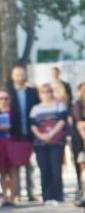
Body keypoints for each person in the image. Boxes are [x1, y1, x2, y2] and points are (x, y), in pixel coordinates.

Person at [29, 83, 68, 205]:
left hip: (56, 142)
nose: (46, 94)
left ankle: (58, 195)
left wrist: (51, 134)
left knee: (56, 169)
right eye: (43, 92)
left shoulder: (59, 106)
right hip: (40, 144)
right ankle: (47, 196)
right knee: (44, 169)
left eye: (48, 91)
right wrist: (41, 136)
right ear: (39, 94)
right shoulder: (35, 109)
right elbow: (33, 125)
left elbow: (62, 121)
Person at [6, 63, 39, 201]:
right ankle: (17, 193)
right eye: (17, 75)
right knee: (15, 164)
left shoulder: (32, 92)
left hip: (31, 132)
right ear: (12, 76)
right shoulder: (7, 92)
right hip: (14, 133)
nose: (20, 77)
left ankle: (32, 192)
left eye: (22, 74)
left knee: (31, 164)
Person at [0, 88, 15, 205]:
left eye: (6, 98)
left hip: (12, 144)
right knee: (3, 172)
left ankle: (13, 197)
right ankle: (5, 197)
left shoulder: (14, 112)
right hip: (0, 144)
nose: (4, 100)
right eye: (1, 98)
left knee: (12, 172)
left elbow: (19, 126)